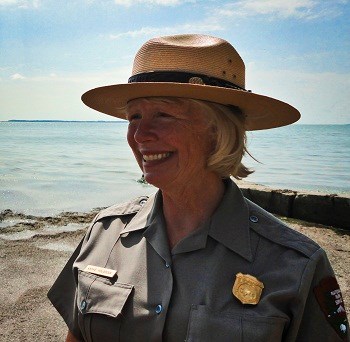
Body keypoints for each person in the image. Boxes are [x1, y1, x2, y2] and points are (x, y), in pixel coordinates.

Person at [48, 34, 349, 342]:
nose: (140, 135)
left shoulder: (295, 265)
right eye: (134, 116)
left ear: (218, 131)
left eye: (163, 114)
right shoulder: (104, 234)